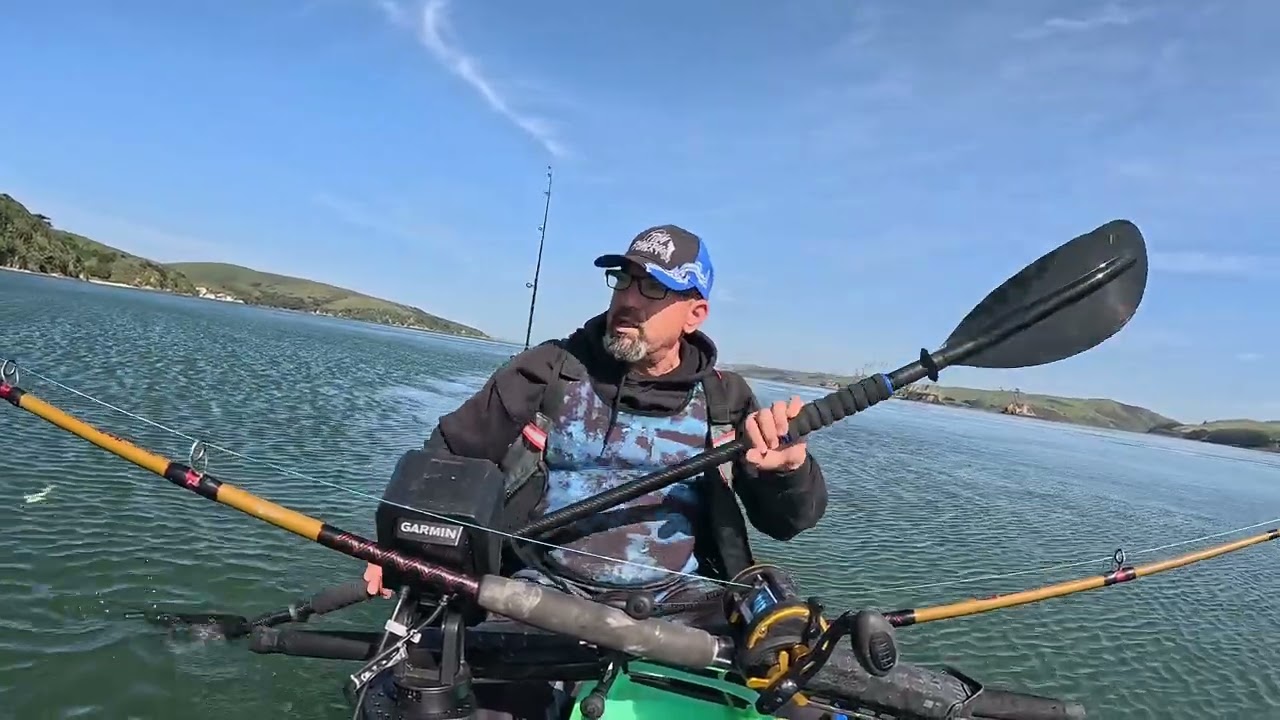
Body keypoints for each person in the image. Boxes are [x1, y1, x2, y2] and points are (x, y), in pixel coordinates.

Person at [363, 224, 828, 717]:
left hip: (681, 602)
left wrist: (790, 469)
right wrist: (397, 546)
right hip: (540, 592)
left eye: (653, 288)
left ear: (695, 313)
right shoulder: (549, 370)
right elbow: (450, 453)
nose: (629, 299)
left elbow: (789, 522)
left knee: (792, 670)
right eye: (623, 280)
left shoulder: (726, 400)